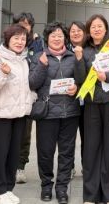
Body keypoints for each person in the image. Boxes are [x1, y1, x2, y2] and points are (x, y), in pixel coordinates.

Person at [74, 14, 109, 204]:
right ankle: (90, 195)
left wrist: (107, 76)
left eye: (100, 26)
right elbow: (80, 79)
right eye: (93, 27)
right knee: (91, 149)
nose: (96, 29)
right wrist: (79, 59)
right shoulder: (84, 50)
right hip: (91, 104)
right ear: (88, 31)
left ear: (105, 28)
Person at [0, 23, 37, 204]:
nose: (20, 42)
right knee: (0, 155)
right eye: (16, 38)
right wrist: (3, 74)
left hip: (20, 115)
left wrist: (31, 98)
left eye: (23, 39)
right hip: (0, 116)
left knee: (14, 155)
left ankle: (8, 189)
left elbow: (28, 86)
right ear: (8, 39)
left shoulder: (25, 60)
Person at [29, 21, 80, 204]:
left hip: (70, 112)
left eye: (60, 36)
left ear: (65, 39)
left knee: (67, 153)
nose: (57, 39)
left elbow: (81, 79)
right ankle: (46, 186)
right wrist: (42, 66)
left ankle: (62, 188)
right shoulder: (39, 57)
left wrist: (77, 87)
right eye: (53, 36)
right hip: (47, 113)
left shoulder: (73, 57)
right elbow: (32, 84)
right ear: (47, 38)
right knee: (45, 152)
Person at [14, 12, 44, 184]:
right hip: (11, 95)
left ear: (31, 26)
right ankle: (9, 165)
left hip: (30, 94)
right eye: (20, 23)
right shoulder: (8, 42)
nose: (23, 27)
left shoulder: (38, 43)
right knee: (10, 133)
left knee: (25, 133)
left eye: (26, 24)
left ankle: (20, 166)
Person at [68, 21, 87, 174]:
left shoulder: (90, 50)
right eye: (73, 31)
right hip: (70, 100)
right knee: (69, 138)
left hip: (88, 101)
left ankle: (87, 167)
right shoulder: (64, 50)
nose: (76, 33)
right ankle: (69, 167)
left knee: (88, 137)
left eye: (79, 30)